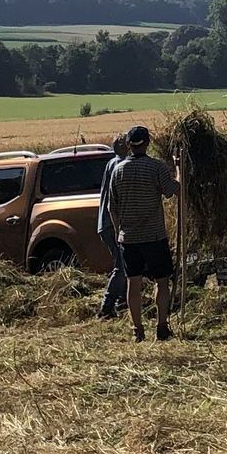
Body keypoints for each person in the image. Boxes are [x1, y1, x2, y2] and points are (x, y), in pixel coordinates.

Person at [105, 124, 180, 341]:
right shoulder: (156, 167)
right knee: (161, 281)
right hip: (154, 236)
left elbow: (112, 207)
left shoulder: (118, 171)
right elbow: (173, 190)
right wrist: (178, 170)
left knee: (133, 283)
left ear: (129, 145)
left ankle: (137, 330)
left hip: (129, 239)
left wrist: (119, 231)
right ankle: (162, 326)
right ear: (147, 143)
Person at [95, 134, 130, 319]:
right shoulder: (119, 165)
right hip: (112, 223)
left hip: (106, 222)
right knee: (122, 266)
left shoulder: (111, 162)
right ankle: (106, 307)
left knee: (124, 263)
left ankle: (122, 302)